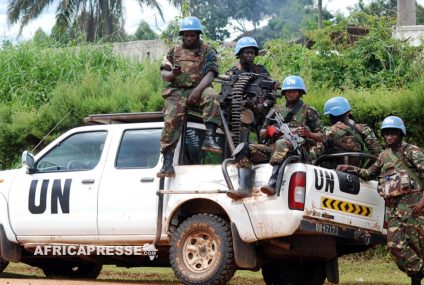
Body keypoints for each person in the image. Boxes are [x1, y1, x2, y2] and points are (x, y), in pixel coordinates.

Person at [337, 116, 424, 285]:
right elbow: (370, 173)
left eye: (392, 134)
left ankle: (416, 280)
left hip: (414, 207)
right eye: (386, 134)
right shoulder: (384, 155)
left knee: (417, 246)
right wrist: (351, 169)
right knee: (394, 245)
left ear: (400, 134)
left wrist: (422, 202)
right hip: (394, 209)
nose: (389, 137)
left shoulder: (412, 151)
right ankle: (420, 270)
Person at [157, 16, 222, 178]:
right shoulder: (173, 51)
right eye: (186, 35)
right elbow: (164, 74)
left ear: (198, 35)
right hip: (178, 90)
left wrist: (198, 91)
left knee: (213, 96)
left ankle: (209, 138)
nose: (188, 38)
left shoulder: (207, 50)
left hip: (200, 88)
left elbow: (211, 72)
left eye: (192, 35)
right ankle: (167, 161)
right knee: (171, 118)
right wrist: (173, 73)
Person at [260, 75, 324, 196]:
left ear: (300, 93)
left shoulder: (308, 111)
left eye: (294, 91)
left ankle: (272, 184)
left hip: (298, 150)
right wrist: (270, 129)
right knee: (245, 148)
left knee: (281, 143)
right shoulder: (276, 110)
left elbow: (322, 136)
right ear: (284, 93)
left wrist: (308, 133)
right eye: (288, 91)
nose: (291, 94)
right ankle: (244, 188)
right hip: (274, 148)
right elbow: (262, 133)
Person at [310, 96, 381, 168]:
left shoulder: (329, 132)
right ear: (348, 112)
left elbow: (314, 153)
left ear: (331, 116)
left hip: (333, 175)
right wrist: (365, 170)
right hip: (357, 173)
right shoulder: (365, 129)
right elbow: (377, 154)